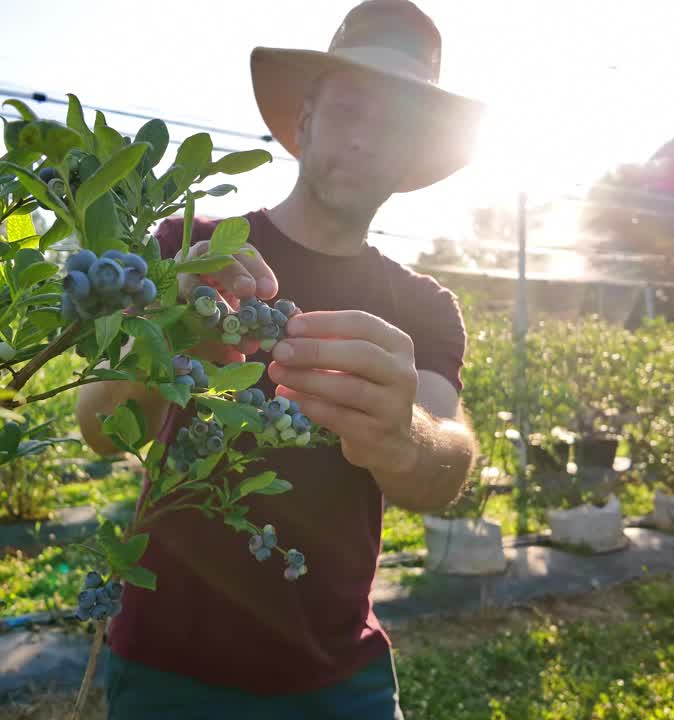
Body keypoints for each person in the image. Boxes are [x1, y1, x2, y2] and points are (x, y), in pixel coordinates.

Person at [74, 1, 485, 717]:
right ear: (305, 122)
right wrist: (171, 341)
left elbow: (444, 465)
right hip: (169, 668)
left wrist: (399, 433)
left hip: (338, 676)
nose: (365, 141)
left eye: (396, 125)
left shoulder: (422, 308)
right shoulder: (193, 251)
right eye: (351, 111)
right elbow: (99, 427)